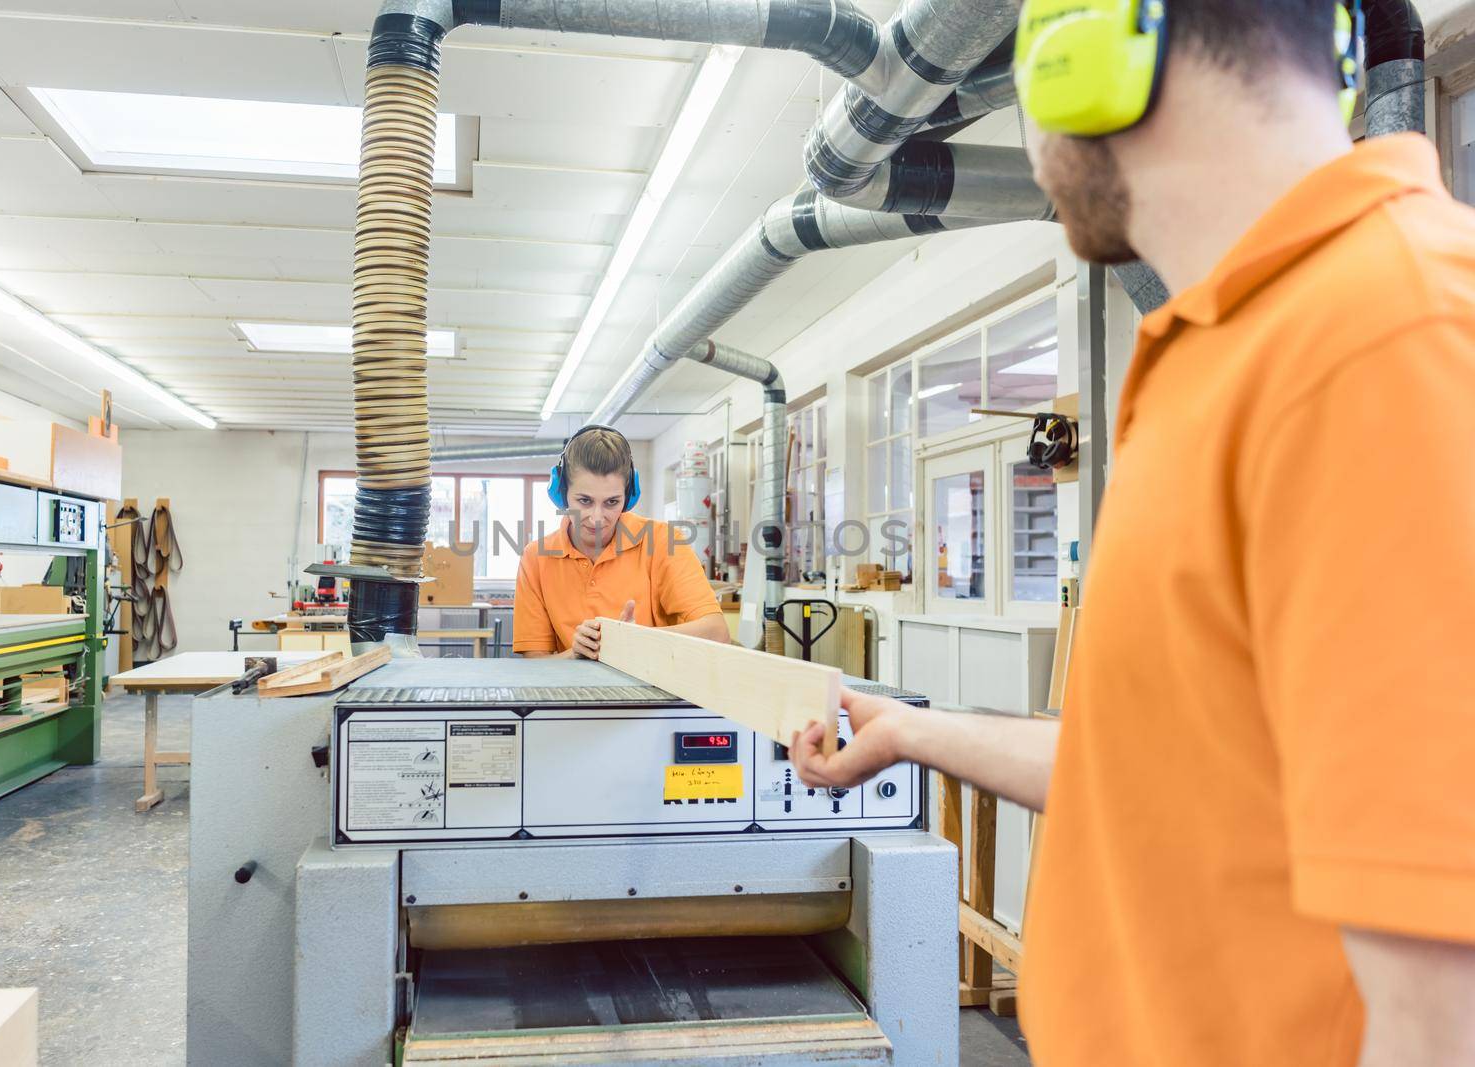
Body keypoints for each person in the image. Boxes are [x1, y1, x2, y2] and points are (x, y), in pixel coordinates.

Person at [792, 2, 1475, 1064]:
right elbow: (1174, 767)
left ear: (1086, 53)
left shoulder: (1384, 335)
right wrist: (911, 731)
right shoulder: (1230, 346)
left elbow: (1442, 1016)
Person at [514, 425, 730, 659]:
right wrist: (575, 653)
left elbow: (717, 633)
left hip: (652, 693)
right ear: (561, 492)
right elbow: (535, 665)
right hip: (572, 692)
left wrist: (638, 641)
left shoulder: (663, 541)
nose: (597, 517)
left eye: (611, 502)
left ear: (628, 497)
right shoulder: (536, 557)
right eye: (584, 501)